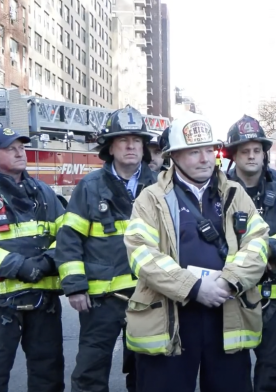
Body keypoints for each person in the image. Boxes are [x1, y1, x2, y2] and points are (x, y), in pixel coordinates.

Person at [122, 112, 269, 392]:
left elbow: (258, 243)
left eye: (208, 150)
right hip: (171, 317)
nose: (204, 159)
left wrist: (228, 282)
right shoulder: (151, 198)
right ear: (173, 156)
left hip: (227, 311)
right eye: (193, 152)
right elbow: (142, 254)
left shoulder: (235, 194)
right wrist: (194, 288)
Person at [55, 105, 157, 392]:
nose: (130, 146)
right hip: (101, 301)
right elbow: (69, 239)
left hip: (148, 296)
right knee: (90, 371)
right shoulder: (89, 187)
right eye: (123, 140)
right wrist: (74, 286)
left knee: (147, 370)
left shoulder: (160, 186)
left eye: (136, 140)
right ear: (110, 148)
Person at [223, 115, 276, 392]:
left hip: (275, 297)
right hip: (228, 296)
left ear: (264, 153)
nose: (251, 156)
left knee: (275, 367)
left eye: (256, 150)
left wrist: (266, 249)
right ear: (233, 155)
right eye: (244, 151)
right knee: (230, 370)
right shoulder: (215, 192)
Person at [0, 128, 65, 392]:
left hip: (44, 302)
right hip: (3, 306)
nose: (20, 153)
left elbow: (68, 233)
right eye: (10, 148)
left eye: (22, 147)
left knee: (48, 378)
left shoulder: (44, 193)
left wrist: (48, 261)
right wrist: (20, 266)